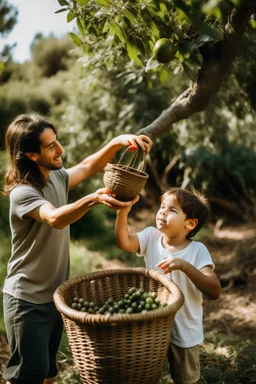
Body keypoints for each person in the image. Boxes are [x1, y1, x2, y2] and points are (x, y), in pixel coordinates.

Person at [2, 112, 152, 384]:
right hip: (26, 299)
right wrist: (94, 199)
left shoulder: (56, 177)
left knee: (47, 373)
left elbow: (87, 165)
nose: (60, 149)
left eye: (57, 141)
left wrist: (118, 142)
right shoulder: (22, 192)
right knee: (27, 376)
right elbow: (55, 218)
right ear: (32, 155)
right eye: (50, 146)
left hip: (55, 296)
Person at [115, 187, 221, 384]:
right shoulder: (151, 237)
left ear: (190, 223)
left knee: (185, 379)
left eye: (172, 210)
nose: (163, 212)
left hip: (184, 329)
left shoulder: (197, 251)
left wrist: (185, 266)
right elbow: (124, 242)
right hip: (152, 326)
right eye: (162, 207)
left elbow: (214, 290)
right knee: (144, 375)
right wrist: (122, 213)